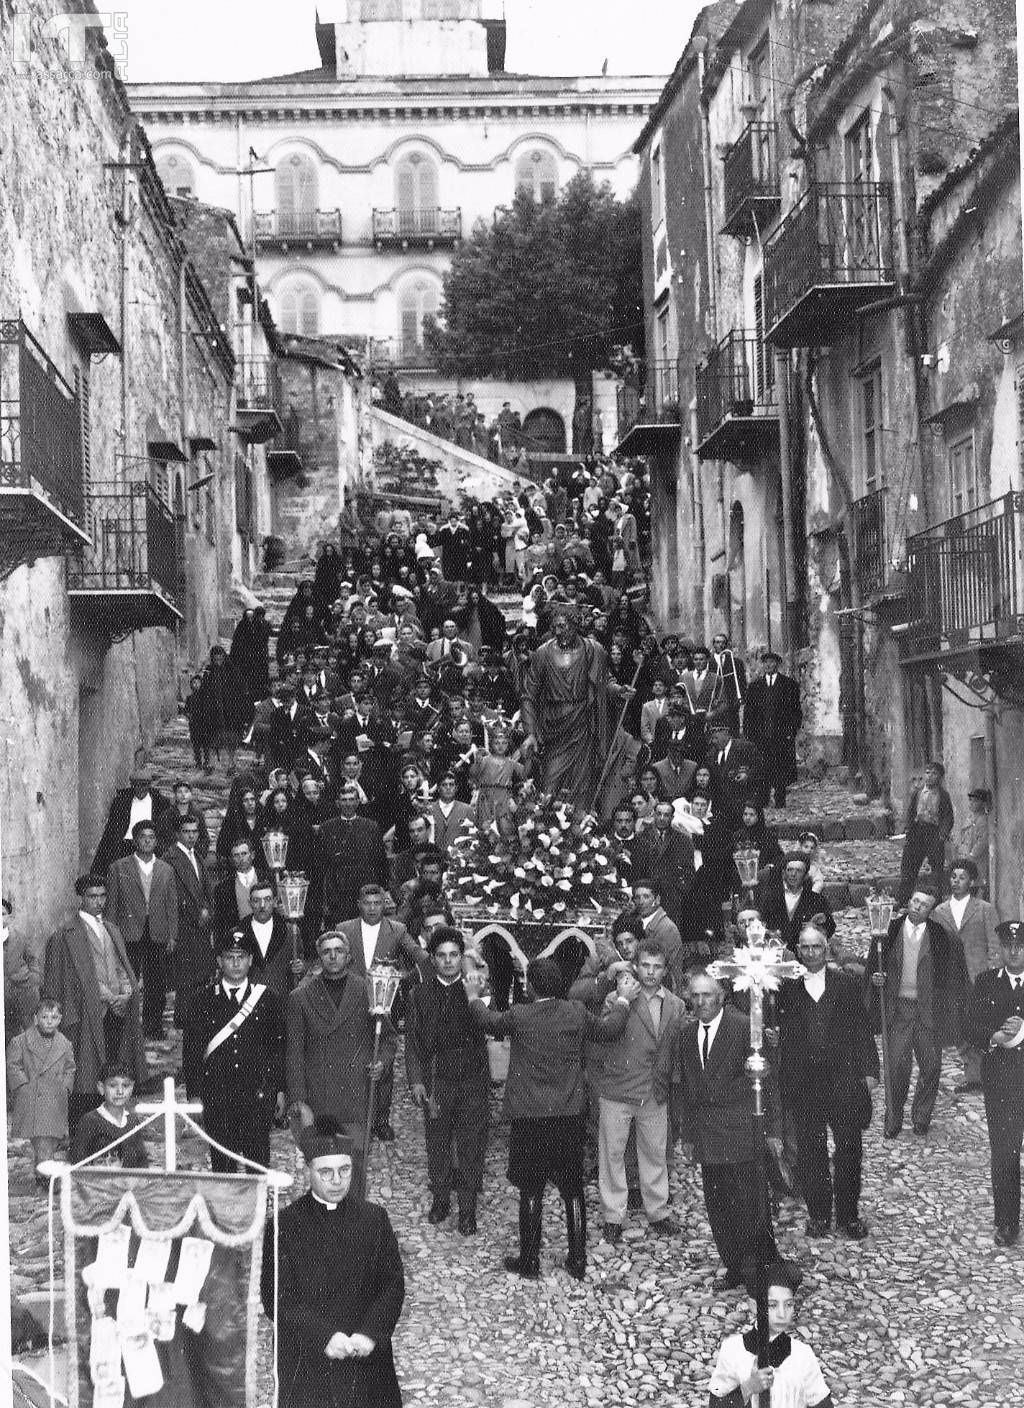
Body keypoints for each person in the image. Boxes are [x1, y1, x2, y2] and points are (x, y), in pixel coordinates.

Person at [464, 957, 638, 1281]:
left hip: (530, 1116)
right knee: (572, 1189)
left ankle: (529, 1262)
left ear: (530, 986)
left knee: (530, 1189)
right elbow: (609, 1030)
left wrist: (474, 995)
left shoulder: (520, 1015)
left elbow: (488, 1021)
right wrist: (624, 999)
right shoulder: (574, 1012)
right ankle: (577, 1261)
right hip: (568, 1113)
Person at [260, 1119, 406, 1408]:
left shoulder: (374, 1219)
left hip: (365, 1360)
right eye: (326, 1172)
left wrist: (371, 1333)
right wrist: (324, 1336)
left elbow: (392, 1284)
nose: (337, 1181)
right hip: (309, 1358)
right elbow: (276, 1297)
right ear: (307, 1170)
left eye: (345, 1170)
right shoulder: (284, 1225)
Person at [675, 969, 785, 1293]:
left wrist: (774, 1129)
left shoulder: (743, 1028)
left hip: (740, 1133)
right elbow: (689, 1091)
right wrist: (689, 1136)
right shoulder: (686, 1034)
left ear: (721, 995)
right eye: (694, 995)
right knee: (718, 1205)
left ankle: (762, 1270)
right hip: (708, 1137)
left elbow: (767, 1082)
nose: (700, 1001)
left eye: (706, 995)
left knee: (750, 1205)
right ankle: (735, 1266)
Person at [774, 924, 879, 1239]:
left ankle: (848, 1216)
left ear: (827, 948)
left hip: (843, 1079)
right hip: (806, 1083)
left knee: (849, 1148)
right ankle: (819, 1215)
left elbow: (861, 1027)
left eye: (815, 947)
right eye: (804, 948)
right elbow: (786, 1035)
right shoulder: (788, 988)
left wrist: (870, 1071)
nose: (810, 953)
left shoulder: (846, 984)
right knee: (810, 1150)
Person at [590, 939, 688, 1242]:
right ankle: (613, 1215)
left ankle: (657, 1211)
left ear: (665, 969)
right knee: (613, 1154)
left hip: (654, 1091)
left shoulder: (676, 1005)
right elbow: (603, 1032)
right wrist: (620, 998)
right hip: (618, 1088)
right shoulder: (617, 998)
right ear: (636, 965)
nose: (650, 972)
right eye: (645, 965)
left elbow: (675, 1049)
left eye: (657, 967)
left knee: (655, 1153)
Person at [286, 930, 397, 1193]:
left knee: (354, 1169)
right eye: (326, 952)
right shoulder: (301, 997)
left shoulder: (369, 990)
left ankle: (355, 1226)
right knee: (323, 1171)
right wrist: (299, 1100)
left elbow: (389, 1040)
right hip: (319, 1098)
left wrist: (380, 1063)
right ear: (319, 957)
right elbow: (294, 1052)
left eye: (338, 951)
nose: (333, 956)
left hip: (356, 1096)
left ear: (348, 956)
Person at [42, 874, 145, 1133]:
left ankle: (111, 1124)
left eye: (102, 896)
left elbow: (122, 966)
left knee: (114, 1066)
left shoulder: (111, 928)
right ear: (81, 898)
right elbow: (64, 982)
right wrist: (110, 998)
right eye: (92, 896)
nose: (98, 901)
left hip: (114, 1012)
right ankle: (83, 1132)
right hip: (87, 1015)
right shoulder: (65, 935)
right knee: (85, 1077)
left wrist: (124, 993)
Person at [864, 883, 968, 1137]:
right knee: (896, 1068)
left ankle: (921, 1117)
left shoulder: (940, 936)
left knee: (931, 1066)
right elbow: (873, 968)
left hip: (927, 1013)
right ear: (909, 900)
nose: (917, 907)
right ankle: (893, 1119)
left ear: (931, 909)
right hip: (899, 1010)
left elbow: (952, 978)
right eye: (915, 901)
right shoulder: (887, 930)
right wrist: (878, 979)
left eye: (924, 905)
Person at [405, 928, 489, 1235]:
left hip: (470, 1078)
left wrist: (477, 992)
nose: (449, 961)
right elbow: (413, 1042)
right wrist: (416, 1080)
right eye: (442, 956)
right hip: (437, 1079)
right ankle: (440, 1198)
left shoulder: (474, 990)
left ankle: (467, 1209)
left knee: (470, 1144)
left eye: (454, 955)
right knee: (437, 1143)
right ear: (433, 958)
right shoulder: (419, 993)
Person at [181, 928, 286, 1173]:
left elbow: (276, 1047)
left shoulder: (267, 998)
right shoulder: (202, 1000)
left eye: (242, 956)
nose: (236, 963)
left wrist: (279, 1089)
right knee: (222, 1162)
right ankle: (224, 1211)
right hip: (219, 1095)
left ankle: (257, 1210)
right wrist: (195, 1094)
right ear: (219, 961)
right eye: (230, 957)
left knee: (257, 1160)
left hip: (257, 1093)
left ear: (250, 960)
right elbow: (192, 1052)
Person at [521, 602, 633, 807]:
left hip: (583, 722)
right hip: (553, 725)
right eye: (554, 627)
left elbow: (604, 681)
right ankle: (547, 830)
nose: (557, 631)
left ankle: (581, 828)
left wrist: (619, 691)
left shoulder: (593, 650)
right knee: (550, 782)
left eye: (563, 626)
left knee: (582, 784)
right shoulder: (542, 653)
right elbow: (529, 694)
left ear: (575, 625)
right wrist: (530, 732)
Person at [962, 921, 1024, 1246]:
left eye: (1020, 945)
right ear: (999, 948)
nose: (1014, 951)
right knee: (1004, 1152)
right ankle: (1007, 1223)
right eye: (1008, 945)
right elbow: (970, 1024)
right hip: (1001, 1081)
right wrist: (994, 1036)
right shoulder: (986, 982)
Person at [707, 1261, 833, 1408]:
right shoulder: (733, 1350)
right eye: (772, 1305)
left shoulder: (802, 1355)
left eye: (788, 1305)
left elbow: (823, 1405)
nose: (782, 1314)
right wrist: (748, 1388)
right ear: (754, 1305)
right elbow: (715, 1404)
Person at [104, 820, 179, 1040]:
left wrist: (172, 934)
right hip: (129, 932)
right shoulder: (119, 867)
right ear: (135, 840)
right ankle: (126, 1029)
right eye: (143, 836)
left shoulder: (166, 869)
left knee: (156, 983)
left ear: (156, 841)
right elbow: (112, 905)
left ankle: (153, 1027)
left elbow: (171, 904)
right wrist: (111, 934)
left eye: (152, 837)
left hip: (157, 931)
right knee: (128, 980)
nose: (147, 841)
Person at [932, 858, 1000, 1095]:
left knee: (981, 1024)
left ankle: (985, 1074)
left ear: (971, 882)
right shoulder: (940, 912)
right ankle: (973, 1076)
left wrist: (994, 977)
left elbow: (994, 945)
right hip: (953, 979)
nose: (956, 882)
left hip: (978, 975)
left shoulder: (984, 909)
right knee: (960, 1025)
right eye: (953, 877)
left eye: (962, 878)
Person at [6, 996, 76, 1180]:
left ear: (60, 1019)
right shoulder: (20, 1041)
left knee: (51, 1141)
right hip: (33, 1100)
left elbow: (70, 1067)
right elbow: (13, 1066)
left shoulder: (65, 1044)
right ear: (36, 1018)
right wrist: (23, 1086)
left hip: (54, 1100)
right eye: (45, 1017)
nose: (49, 1021)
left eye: (54, 1017)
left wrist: (65, 1087)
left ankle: (42, 1171)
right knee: (41, 1142)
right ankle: (45, 1177)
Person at [162, 814, 215, 1025]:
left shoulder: (197, 857)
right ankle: (184, 1019)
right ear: (178, 833)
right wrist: (196, 913)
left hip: (200, 924)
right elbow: (172, 895)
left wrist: (208, 910)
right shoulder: (170, 859)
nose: (191, 836)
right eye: (186, 832)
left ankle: (197, 1016)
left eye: (195, 831)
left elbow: (205, 889)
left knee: (200, 973)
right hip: (184, 924)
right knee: (185, 976)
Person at [742, 651, 802, 808]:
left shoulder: (789, 685)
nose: (768, 665)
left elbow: (796, 711)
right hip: (760, 736)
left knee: (780, 767)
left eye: (772, 662)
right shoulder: (755, 687)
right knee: (762, 767)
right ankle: (763, 799)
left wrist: (791, 732)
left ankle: (780, 798)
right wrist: (749, 734)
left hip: (781, 735)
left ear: (777, 664)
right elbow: (749, 713)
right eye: (766, 662)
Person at [91, 768, 171, 876]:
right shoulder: (121, 801)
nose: (140, 789)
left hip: (149, 846)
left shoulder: (160, 802)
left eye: (144, 785)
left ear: (149, 785)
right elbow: (112, 829)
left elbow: (165, 830)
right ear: (132, 785)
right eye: (136, 785)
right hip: (125, 847)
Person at [68, 1063, 149, 1169]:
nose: (120, 1091)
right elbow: (79, 1165)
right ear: (101, 1088)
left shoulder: (133, 1121)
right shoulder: (89, 1121)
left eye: (125, 1085)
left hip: (129, 1184)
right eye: (113, 1085)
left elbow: (142, 1163)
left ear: (132, 1087)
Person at [897, 761, 954, 905]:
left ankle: (936, 901)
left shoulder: (943, 796)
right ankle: (903, 899)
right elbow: (910, 812)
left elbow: (948, 817)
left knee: (936, 870)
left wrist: (942, 834)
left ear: (940, 777)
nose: (929, 776)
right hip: (917, 832)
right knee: (909, 867)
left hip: (934, 834)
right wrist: (908, 829)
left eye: (934, 773)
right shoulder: (917, 793)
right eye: (927, 773)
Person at [756, 854, 835, 952]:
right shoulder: (770, 898)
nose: (793, 874)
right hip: (775, 953)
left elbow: (830, 927)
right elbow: (758, 925)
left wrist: (817, 927)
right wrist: (768, 932)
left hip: (806, 955)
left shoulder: (816, 900)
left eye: (799, 871)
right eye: (790, 870)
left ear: (805, 875)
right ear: (783, 873)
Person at [960, 787, 991, 896]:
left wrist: (972, 854)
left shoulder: (983, 820)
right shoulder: (971, 818)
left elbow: (983, 841)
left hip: (977, 860)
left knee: (977, 886)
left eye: (975, 801)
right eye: (971, 800)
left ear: (983, 803)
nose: (972, 803)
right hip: (969, 859)